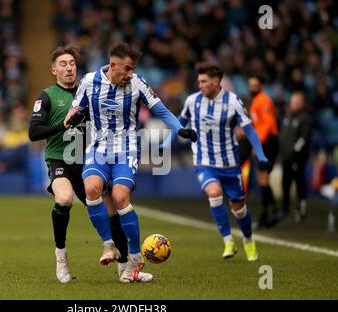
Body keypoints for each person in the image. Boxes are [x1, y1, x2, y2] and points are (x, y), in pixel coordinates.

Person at [64, 43, 196, 283]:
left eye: (133, 69)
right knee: (91, 189)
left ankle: (135, 256)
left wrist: (180, 129)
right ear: (113, 65)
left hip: (126, 150)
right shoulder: (90, 81)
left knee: (120, 196)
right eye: (127, 69)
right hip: (98, 150)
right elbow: (72, 112)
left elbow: (161, 110)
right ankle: (108, 245)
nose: (130, 74)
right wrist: (71, 119)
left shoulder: (137, 83)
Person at [28, 45, 153, 283]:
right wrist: (63, 125)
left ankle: (125, 266)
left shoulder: (93, 88)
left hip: (90, 160)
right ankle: (61, 258)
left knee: (112, 211)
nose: (69, 68)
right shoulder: (47, 96)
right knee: (64, 199)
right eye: (63, 64)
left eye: (72, 63)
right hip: (61, 160)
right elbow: (34, 132)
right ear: (53, 70)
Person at [176, 63, 269, 261]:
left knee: (240, 210)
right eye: (199, 81)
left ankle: (248, 239)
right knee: (214, 193)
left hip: (229, 164)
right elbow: (179, 121)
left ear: (216, 82)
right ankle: (228, 241)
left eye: (204, 81)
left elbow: (250, 129)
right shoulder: (193, 101)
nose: (199, 85)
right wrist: (166, 143)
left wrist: (260, 155)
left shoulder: (233, 101)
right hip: (204, 161)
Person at [236, 75, 280, 228]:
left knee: (262, 178)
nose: (252, 87)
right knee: (262, 178)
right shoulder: (256, 102)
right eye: (250, 85)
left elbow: (267, 125)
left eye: (255, 85)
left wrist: (257, 145)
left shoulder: (264, 101)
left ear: (261, 85)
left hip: (268, 142)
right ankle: (271, 211)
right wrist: (245, 131)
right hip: (264, 141)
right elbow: (258, 124)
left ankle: (267, 214)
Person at [280, 91, 313, 221]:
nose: (293, 104)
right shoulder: (288, 116)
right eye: (292, 102)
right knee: (285, 183)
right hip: (285, 157)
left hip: (297, 158)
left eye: (296, 102)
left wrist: (295, 151)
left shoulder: (305, 118)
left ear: (301, 103)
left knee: (299, 182)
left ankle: (301, 208)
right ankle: (285, 209)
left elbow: (303, 139)